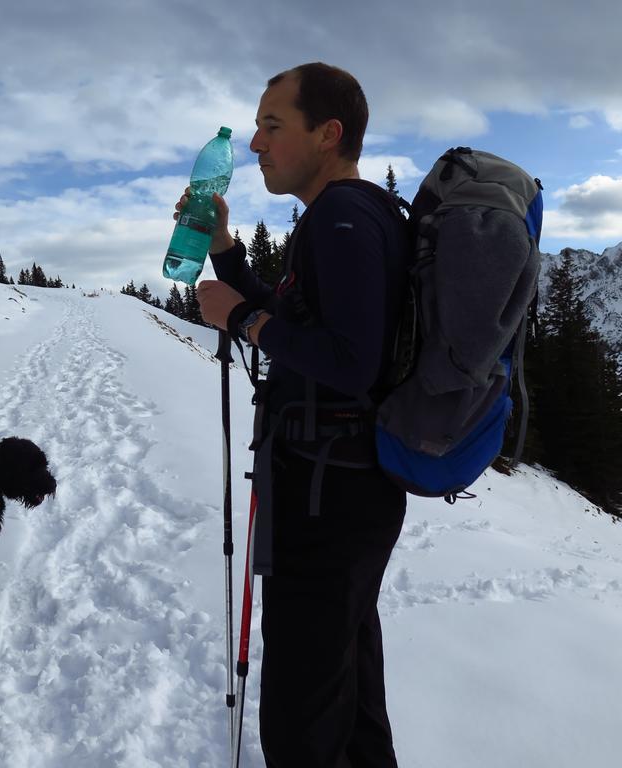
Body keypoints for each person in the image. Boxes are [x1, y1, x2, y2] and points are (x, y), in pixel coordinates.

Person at [180, 63, 410, 767]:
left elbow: (348, 360)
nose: (255, 144)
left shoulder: (340, 217)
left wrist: (243, 319)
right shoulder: (353, 214)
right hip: (343, 489)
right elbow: (304, 322)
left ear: (328, 133)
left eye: (273, 125)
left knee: (301, 721)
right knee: (347, 697)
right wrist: (224, 252)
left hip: (327, 500)